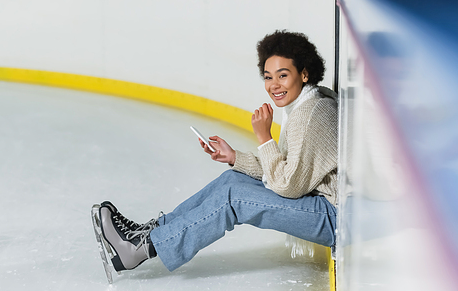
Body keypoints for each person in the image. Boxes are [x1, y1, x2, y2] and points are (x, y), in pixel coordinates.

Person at [91, 30, 338, 277]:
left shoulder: (309, 114)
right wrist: (235, 158)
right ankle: (149, 234)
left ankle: (139, 249)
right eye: (268, 77)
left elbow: (288, 185)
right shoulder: (308, 102)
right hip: (319, 202)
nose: (274, 85)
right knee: (232, 180)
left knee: (233, 197)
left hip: (332, 217)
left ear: (304, 73)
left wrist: (264, 138)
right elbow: (286, 172)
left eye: (283, 75)